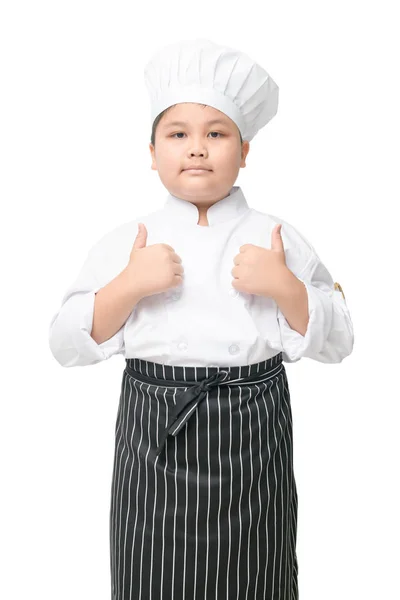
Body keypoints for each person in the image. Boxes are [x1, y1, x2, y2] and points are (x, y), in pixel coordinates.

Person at [48, 38, 354, 600]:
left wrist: (285, 287)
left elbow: (340, 341)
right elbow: (66, 342)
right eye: (178, 134)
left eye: (216, 134)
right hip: (154, 437)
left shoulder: (277, 237)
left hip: (251, 436)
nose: (197, 149)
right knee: (152, 577)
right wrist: (129, 285)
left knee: (256, 577)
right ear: (151, 150)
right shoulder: (125, 241)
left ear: (244, 151)